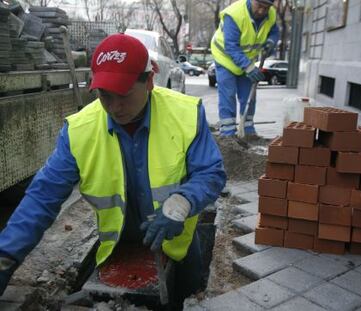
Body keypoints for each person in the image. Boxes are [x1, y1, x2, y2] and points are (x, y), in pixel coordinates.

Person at [0, 33, 226, 310]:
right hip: (117, 245)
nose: (115, 107)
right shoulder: (80, 130)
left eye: (124, 95)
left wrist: (180, 204)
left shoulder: (185, 114)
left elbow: (211, 172)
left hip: (176, 241)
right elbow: (42, 197)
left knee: (189, 296)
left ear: (150, 82)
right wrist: (6, 255)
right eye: (105, 96)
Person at [211, 0, 279, 139]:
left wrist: (271, 41)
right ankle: (228, 133)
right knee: (228, 94)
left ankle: (248, 130)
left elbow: (274, 31)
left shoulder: (271, 14)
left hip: (247, 60)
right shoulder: (235, 14)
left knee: (249, 94)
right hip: (225, 58)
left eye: (265, 8)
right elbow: (231, 46)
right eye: (259, 6)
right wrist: (249, 67)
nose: (261, 11)